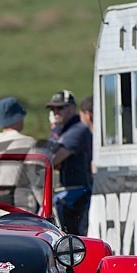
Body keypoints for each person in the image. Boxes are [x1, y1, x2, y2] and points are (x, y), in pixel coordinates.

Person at [46, 90, 92, 235]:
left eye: (60, 107)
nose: (55, 111)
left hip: (78, 195)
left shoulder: (79, 129)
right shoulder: (61, 131)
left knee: (75, 240)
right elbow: (46, 159)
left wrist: (54, 160)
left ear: (72, 108)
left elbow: (51, 160)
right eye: (53, 108)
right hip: (65, 194)